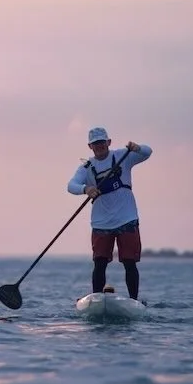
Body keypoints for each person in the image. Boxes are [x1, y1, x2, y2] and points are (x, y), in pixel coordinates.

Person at [67, 127, 153, 300]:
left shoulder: (123, 156)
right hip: (101, 223)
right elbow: (71, 185)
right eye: (95, 144)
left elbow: (148, 152)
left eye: (102, 142)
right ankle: (97, 298)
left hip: (127, 219)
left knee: (130, 263)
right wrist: (86, 189)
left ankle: (133, 300)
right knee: (99, 264)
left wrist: (136, 148)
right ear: (90, 146)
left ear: (109, 142)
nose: (99, 146)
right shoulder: (87, 167)